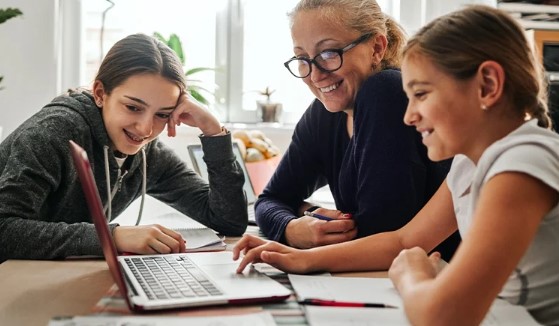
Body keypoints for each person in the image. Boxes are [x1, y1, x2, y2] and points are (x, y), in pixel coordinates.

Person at [234, 5, 559, 325]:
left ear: (487, 85)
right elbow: (403, 241)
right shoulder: (470, 165)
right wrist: (300, 258)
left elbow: (442, 315)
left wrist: (412, 274)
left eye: (421, 94)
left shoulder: (521, 163)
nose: (409, 115)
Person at [0, 33, 248, 263]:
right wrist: (113, 237)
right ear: (100, 93)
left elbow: (228, 220)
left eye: (162, 114)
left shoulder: (148, 154)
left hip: (45, 274)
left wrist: (213, 131)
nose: (145, 129)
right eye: (133, 107)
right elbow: (4, 230)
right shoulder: (52, 134)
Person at [255, 0, 460, 260]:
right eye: (303, 59)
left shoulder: (386, 92)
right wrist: (293, 227)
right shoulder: (325, 113)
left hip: (433, 275)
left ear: (377, 47)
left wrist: (304, 225)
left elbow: (380, 232)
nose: (315, 76)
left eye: (329, 53)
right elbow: (270, 200)